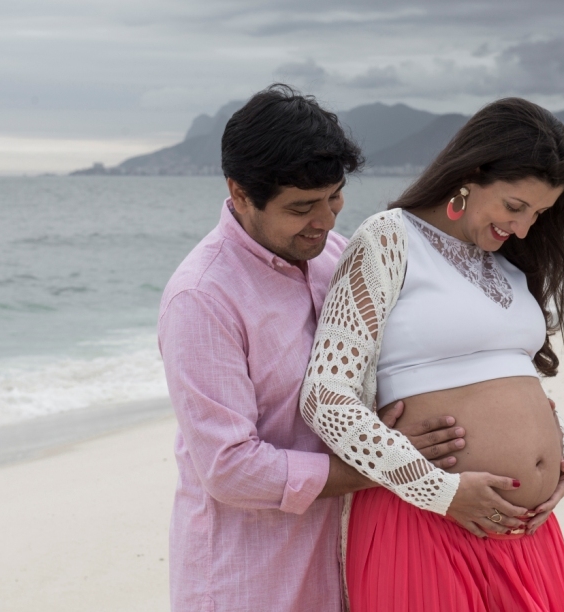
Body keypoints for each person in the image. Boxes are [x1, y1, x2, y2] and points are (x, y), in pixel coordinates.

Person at [301, 97, 564, 611]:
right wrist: (439, 490)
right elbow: (325, 397)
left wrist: (560, 452)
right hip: (428, 522)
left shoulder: (505, 262)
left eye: (539, 213)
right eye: (515, 206)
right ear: (472, 173)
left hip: (528, 534)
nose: (525, 227)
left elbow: (503, 371)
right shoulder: (388, 239)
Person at [158, 85, 473, 611]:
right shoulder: (201, 298)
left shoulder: (335, 255)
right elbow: (230, 468)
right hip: (249, 583)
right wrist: (388, 466)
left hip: (346, 563)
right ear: (238, 194)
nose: (325, 220)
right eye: (302, 207)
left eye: (335, 197)